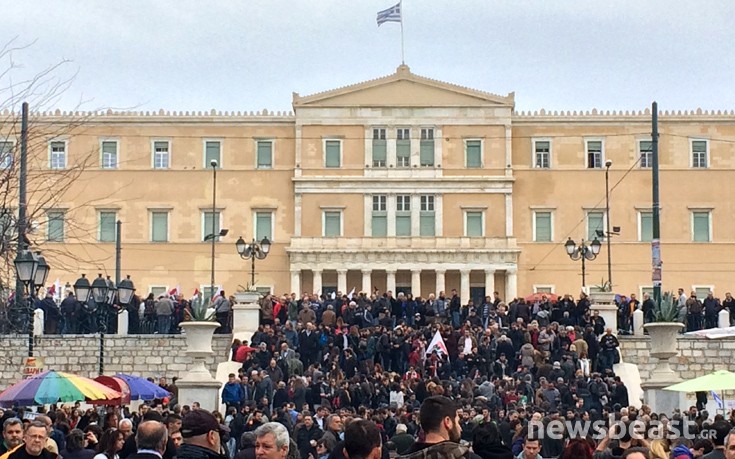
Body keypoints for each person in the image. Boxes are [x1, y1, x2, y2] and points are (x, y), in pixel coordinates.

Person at [398, 395, 479, 459]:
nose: (460, 428)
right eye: (457, 422)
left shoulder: (405, 456)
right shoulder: (468, 456)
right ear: (447, 422)